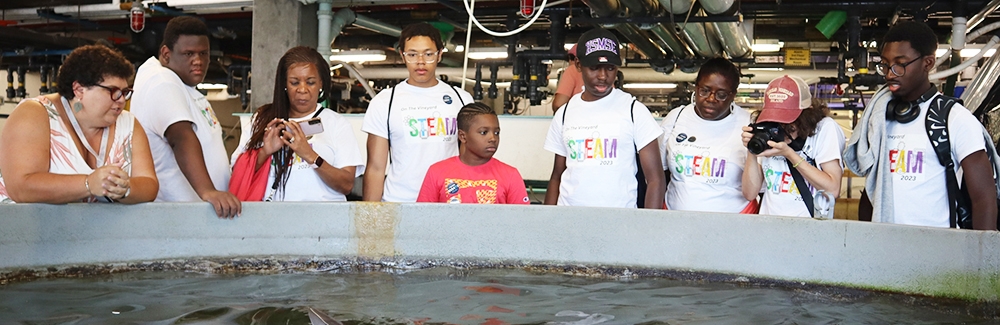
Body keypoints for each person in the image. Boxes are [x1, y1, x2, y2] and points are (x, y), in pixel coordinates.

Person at [843, 20, 997, 230]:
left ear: (928, 63)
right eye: (885, 65)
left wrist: (981, 259)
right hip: (884, 247)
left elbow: (984, 198)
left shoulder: (955, 119)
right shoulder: (879, 118)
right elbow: (873, 188)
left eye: (900, 64)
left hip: (938, 251)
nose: (890, 74)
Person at [0, 45, 158, 203]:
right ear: (79, 90)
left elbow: (149, 184)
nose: (121, 100)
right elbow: (21, 188)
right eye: (112, 91)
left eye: (124, 92)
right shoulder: (34, 114)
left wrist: (125, 189)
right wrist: (88, 184)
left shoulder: (128, 123)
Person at [131, 16, 241, 218]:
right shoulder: (162, 81)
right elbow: (180, 137)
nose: (198, 61)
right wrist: (208, 191)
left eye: (203, 53)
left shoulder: (183, 87)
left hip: (198, 217)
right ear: (166, 54)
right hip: (177, 219)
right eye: (188, 53)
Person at [543, 28, 665, 209]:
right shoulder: (565, 114)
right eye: (594, 68)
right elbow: (556, 176)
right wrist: (547, 220)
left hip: (619, 222)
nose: (603, 76)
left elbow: (655, 179)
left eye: (610, 68)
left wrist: (648, 228)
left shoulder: (634, 111)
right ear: (578, 65)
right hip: (568, 220)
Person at [230, 46, 365, 201]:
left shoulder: (337, 124)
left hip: (322, 220)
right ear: (285, 84)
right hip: (270, 218)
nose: (302, 89)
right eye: (294, 82)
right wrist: (264, 152)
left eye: (310, 82)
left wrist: (309, 155)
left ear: (321, 83)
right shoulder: (263, 119)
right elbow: (236, 174)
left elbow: (346, 185)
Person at [361, 22, 474, 202]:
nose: (420, 62)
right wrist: (371, 219)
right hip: (400, 203)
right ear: (402, 56)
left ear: (439, 55)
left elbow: (473, 160)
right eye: (412, 54)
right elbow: (375, 168)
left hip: (450, 202)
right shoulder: (384, 102)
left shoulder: (462, 99)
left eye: (428, 54)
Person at [659, 58, 754, 213]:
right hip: (676, 221)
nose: (711, 99)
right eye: (704, 91)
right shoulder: (676, 117)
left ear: (733, 95)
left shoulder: (748, 124)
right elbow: (658, 173)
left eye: (721, 94)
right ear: (696, 88)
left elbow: (761, 187)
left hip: (733, 224)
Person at [742, 75, 845, 217]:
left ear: (806, 114)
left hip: (810, 231)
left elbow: (832, 190)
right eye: (775, 118)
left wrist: (789, 154)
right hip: (768, 229)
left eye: (787, 119)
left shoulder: (824, 129)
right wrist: (752, 150)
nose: (781, 126)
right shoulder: (767, 129)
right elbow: (749, 193)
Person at [417, 103, 529, 204]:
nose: (492, 138)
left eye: (496, 132)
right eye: (483, 132)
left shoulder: (510, 175)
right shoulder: (436, 172)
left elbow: (522, 221)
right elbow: (423, 218)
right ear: (463, 136)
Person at [552, 44, 583, 112]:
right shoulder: (603, 72)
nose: (569, 61)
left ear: (577, 60)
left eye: (572, 58)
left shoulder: (573, 70)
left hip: (577, 120)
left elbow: (558, 104)